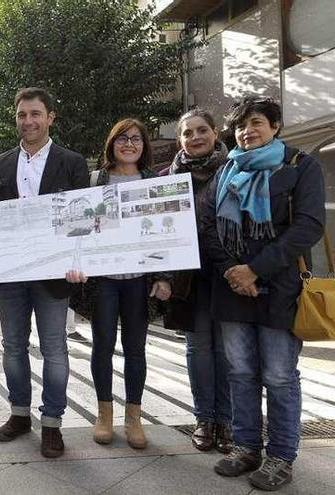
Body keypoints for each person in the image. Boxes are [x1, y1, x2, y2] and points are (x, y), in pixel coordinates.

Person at [203, 97, 324, 491]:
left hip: (280, 289)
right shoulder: (226, 170)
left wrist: (255, 269)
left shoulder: (299, 166)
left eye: (255, 122)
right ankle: (246, 447)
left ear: (275, 126)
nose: (246, 131)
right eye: (239, 126)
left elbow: (308, 226)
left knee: (279, 375)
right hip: (232, 289)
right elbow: (210, 229)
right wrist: (233, 272)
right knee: (239, 373)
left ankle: (281, 456)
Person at [0, 87, 89, 458]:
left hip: (55, 273)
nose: (28, 121)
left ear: (50, 117)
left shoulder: (71, 162)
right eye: (22, 114)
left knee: (54, 347)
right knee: (12, 346)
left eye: (35, 114)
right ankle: (20, 414)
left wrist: (78, 259)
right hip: (10, 270)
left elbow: (81, 218)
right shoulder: (4, 162)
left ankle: (52, 422)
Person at [75, 118, 171, 450]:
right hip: (104, 281)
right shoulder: (94, 181)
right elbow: (81, 231)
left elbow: (165, 234)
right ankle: (104, 414)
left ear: (144, 146)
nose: (129, 144)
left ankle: (134, 418)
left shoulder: (153, 182)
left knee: (136, 349)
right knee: (102, 346)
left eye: (136, 139)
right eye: (122, 139)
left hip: (138, 282)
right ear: (111, 143)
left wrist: (163, 276)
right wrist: (80, 264)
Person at [164, 109, 232, 453]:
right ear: (180, 140)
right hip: (187, 278)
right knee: (198, 348)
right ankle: (204, 418)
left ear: (215, 131)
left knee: (227, 350)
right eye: (187, 133)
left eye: (201, 130)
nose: (195, 138)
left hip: (227, 274)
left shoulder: (234, 169)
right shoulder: (167, 178)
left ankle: (227, 421)